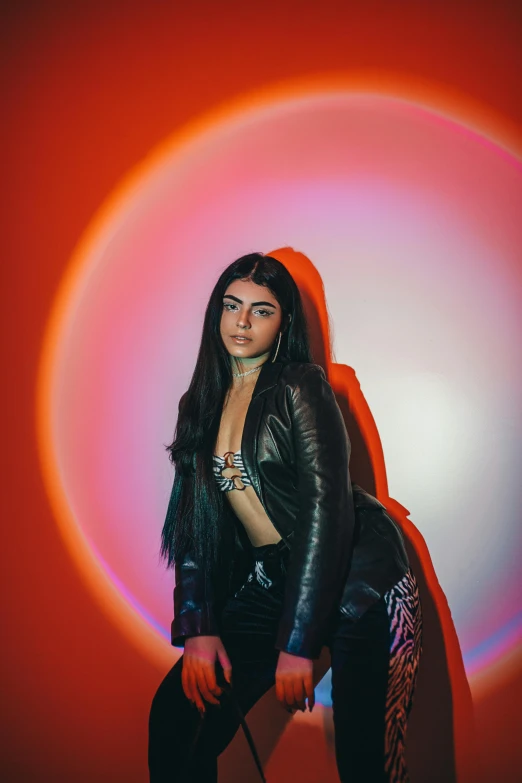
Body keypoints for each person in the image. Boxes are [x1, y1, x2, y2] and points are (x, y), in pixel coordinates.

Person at [148, 252, 423, 783]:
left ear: (284, 321)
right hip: (271, 580)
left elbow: (328, 509)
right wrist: (199, 628)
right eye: (231, 306)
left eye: (261, 310)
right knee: (176, 721)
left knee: (368, 762)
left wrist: (297, 643)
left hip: (362, 581)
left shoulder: (300, 384)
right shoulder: (198, 404)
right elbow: (193, 523)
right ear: (216, 314)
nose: (243, 322)